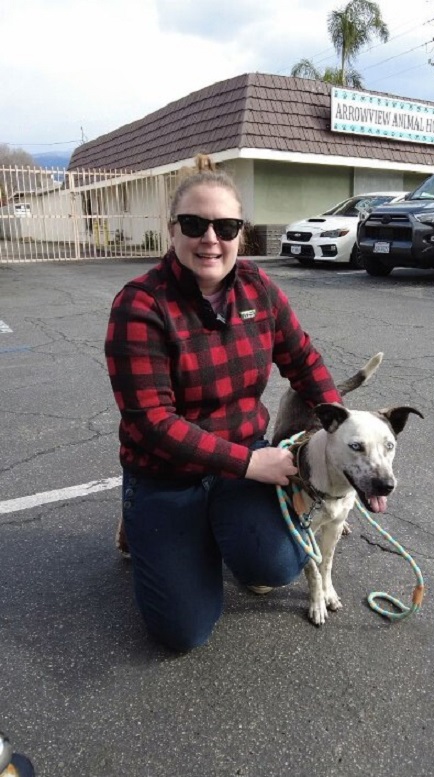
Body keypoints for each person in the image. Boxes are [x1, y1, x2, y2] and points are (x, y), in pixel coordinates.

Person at [105, 154, 342, 652]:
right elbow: (151, 422)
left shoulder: (259, 287)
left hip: (239, 459)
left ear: (240, 232)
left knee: (275, 566)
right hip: (166, 473)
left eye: (226, 225)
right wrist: (251, 463)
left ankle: (214, 529)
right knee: (181, 633)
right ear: (172, 230)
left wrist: (339, 426)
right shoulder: (140, 305)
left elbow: (303, 360)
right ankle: (145, 519)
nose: (210, 238)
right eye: (194, 224)